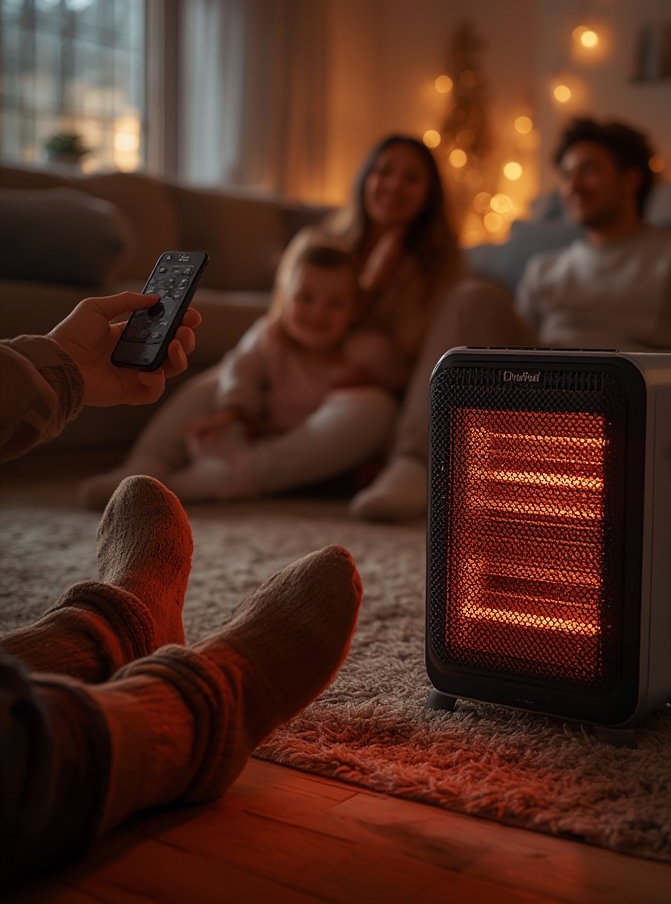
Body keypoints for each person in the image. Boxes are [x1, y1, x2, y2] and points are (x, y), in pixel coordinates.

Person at [0, 292, 363, 887]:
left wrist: (61, 362)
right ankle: (198, 718)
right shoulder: (267, 345)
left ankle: (115, 630)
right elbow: (241, 377)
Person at [81, 134, 536, 521]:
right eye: (384, 171)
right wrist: (239, 403)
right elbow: (280, 324)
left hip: (357, 394)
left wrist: (382, 293)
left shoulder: (441, 273)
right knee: (222, 374)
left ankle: (244, 474)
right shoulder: (318, 243)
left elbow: (415, 359)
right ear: (366, 180)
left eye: (411, 177)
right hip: (291, 372)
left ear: (429, 196)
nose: (394, 184)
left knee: (369, 411)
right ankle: (141, 469)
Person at [79, 240, 403, 508]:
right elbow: (241, 370)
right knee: (216, 378)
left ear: (354, 310)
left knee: (378, 406)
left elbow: (402, 384)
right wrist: (230, 412)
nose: (318, 312)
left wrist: (373, 380)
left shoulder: (365, 349)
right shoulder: (270, 336)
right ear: (284, 298)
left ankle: (228, 476)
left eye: (335, 304)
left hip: (301, 458)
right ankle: (146, 466)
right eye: (305, 298)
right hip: (250, 430)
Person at [516, 117, 671, 395]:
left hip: (644, 397)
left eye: (588, 170)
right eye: (566, 175)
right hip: (549, 399)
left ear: (630, 180)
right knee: (475, 299)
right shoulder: (543, 268)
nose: (572, 186)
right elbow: (511, 347)